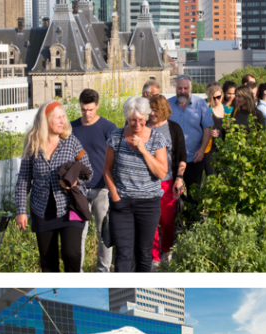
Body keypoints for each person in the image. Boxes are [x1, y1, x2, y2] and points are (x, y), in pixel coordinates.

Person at [14, 101, 93, 272]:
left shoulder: (71, 141)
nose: (62, 121)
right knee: (48, 262)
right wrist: (21, 210)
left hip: (71, 207)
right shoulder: (32, 146)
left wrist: (76, 182)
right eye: (58, 117)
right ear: (46, 120)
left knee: (71, 254)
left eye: (63, 117)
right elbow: (23, 180)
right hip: (42, 210)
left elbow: (89, 171)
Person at [103, 97, 170, 272]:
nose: (137, 124)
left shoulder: (157, 138)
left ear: (146, 117)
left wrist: (143, 149)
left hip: (148, 204)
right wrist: (115, 197)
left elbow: (161, 172)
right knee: (123, 255)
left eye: (141, 120)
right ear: (127, 117)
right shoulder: (116, 137)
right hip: (122, 204)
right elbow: (107, 170)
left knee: (144, 254)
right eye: (133, 120)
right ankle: (122, 292)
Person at [71, 89, 118, 273]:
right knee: (77, 234)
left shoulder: (109, 128)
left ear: (97, 106)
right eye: (83, 109)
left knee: (104, 233)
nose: (87, 113)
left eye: (90, 109)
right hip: (77, 192)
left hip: (102, 190)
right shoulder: (71, 128)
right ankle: (77, 272)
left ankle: (103, 271)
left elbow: (116, 159)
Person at [146, 95, 187, 268]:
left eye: (156, 110)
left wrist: (179, 178)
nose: (152, 113)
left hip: (168, 181)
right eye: (150, 110)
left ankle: (167, 251)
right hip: (147, 182)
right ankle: (154, 258)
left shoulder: (173, 128)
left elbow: (182, 156)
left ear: (163, 111)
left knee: (167, 221)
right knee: (151, 221)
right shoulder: (144, 127)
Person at [168, 75, 213, 217]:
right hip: (172, 159)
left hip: (194, 157)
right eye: (180, 88)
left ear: (191, 88)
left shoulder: (201, 104)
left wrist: (202, 150)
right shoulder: (167, 105)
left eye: (185, 88)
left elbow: (207, 129)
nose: (182, 91)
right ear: (175, 88)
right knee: (173, 195)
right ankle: (177, 224)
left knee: (194, 194)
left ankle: (192, 224)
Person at [203, 84, 226, 176]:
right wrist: (209, 133)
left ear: (222, 95)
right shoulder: (207, 111)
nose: (216, 100)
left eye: (218, 97)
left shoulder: (229, 110)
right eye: (213, 98)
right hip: (210, 149)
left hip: (225, 149)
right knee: (211, 177)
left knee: (224, 178)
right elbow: (199, 129)